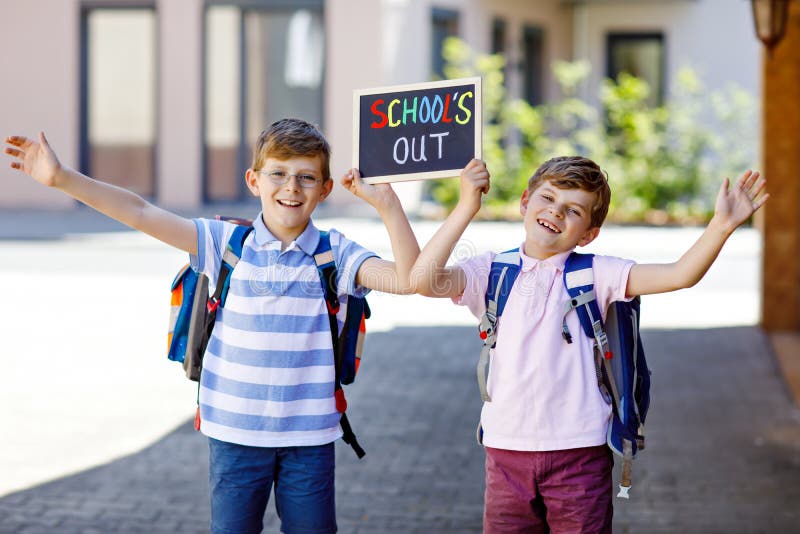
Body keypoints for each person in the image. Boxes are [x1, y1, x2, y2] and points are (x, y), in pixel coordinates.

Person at [4, 118, 421, 534]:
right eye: (278, 173)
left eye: (306, 177)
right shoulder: (223, 242)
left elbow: (408, 279)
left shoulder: (337, 254)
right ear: (254, 181)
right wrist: (62, 179)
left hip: (310, 438)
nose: (291, 187)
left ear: (326, 188)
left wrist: (388, 206)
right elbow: (139, 210)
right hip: (234, 434)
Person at [404, 156, 768, 533]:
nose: (555, 213)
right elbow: (422, 280)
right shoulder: (490, 271)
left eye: (572, 210)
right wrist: (467, 206)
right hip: (505, 451)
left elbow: (679, 275)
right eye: (547, 199)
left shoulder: (597, 273)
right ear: (525, 202)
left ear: (588, 234)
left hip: (580, 454)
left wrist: (721, 226)